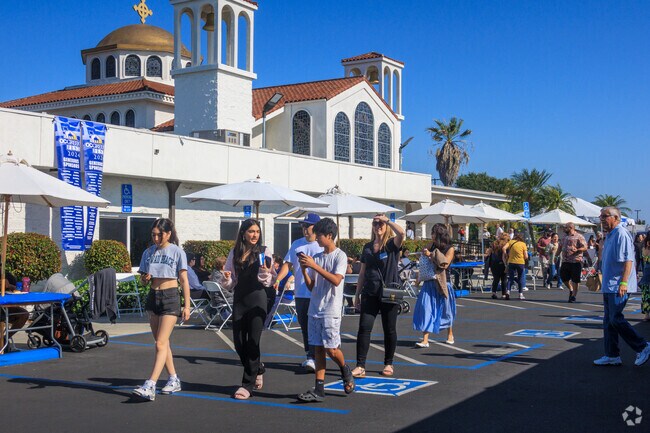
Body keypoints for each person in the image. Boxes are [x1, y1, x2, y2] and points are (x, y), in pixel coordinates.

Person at [132, 218, 191, 401]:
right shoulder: (148, 252)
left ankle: (151, 384)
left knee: (159, 343)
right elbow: (142, 279)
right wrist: (145, 279)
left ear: (169, 234)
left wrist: (187, 305)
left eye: (160, 234)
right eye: (154, 235)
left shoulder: (177, 252)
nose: (156, 238)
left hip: (171, 296)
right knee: (162, 343)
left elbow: (183, 280)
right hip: (153, 296)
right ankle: (173, 379)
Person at [296, 218, 355, 402]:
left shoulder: (340, 256)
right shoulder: (318, 257)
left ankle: (345, 369)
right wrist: (305, 269)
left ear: (329, 236)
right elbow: (313, 286)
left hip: (331, 309)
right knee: (318, 349)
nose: (316, 239)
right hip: (315, 308)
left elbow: (337, 280)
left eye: (319, 235)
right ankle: (319, 389)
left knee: (331, 349)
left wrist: (314, 266)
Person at [222, 219, 275, 399]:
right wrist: (227, 278)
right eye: (251, 231)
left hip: (258, 299)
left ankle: (247, 384)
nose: (254, 235)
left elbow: (271, 280)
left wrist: (265, 274)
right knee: (238, 342)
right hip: (240, 300)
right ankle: (258, 367)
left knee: (253, 341)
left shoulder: (264, 251)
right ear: (243, 233)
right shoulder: (234, 252)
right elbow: (230, 283)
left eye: (257, 232)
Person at [593, 206, 650, 366]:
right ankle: (612, 355)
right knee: (608, 321)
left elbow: (628, 261)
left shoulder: (621, 234)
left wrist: (624, 282)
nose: (602, 219)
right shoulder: (609, 235)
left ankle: (643, 346)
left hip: (618, 285)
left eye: (605, 216)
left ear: (616, 218)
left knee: (615, 319)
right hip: (609, 284)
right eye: (601, 216)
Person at [352, 214, 405, 378]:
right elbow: (362, 273)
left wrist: (388, 220)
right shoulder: (367, 247)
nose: (378, 226)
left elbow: (402, 234)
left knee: (389, 329)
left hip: (389, 294)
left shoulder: (391, 245)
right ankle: (360, 366)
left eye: (381, 223)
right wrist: (357, 294)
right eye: (375, 223)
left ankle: (388, 363)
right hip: (370, 292)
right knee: (364, 328)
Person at [274, 213, 323, 372]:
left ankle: (318, 356)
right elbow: (287, 265)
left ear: (315, 227)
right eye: (303, 226)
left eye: (307, 226)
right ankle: (310, 357)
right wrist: (277, 279)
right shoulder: (296, 244)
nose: (304, 229)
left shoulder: (322, 245)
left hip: (317, 293)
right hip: (301, 293)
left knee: (316, 326)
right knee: (304, 326)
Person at [413, 223, 457, 346]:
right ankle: (425, 339)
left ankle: (450, 333)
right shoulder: (430, 245)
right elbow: (424, 261)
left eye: (433, 233)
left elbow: (445, 264)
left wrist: (431, 255)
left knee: (446, 310)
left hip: (443, 282)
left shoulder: (450, 248)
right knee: (426, 308)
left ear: (438, 235)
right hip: (429, 281)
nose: (431, 236)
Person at [0, 272, 30, 353]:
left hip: (5, 308)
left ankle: (5, 339)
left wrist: (9, 286)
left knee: (24, 315)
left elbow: (16, 289)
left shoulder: (7, 276)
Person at [559, 222, 587, 303]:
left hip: (576, 261)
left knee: (575, 279)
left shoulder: (579, 236)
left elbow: (585, 247)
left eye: (565, 227)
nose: (564, 228)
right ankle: (571, 289)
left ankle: (574, 295)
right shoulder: (564, 236)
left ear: (571, 227)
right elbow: (560, 247)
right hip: (565, 261)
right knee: (563, 277)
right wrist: (556, 256)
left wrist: (577, 250)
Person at [503, 232, 528, 300]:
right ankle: (520, 294)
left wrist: (506, 255)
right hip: (520, 263)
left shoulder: (511, 242)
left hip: (511, 262)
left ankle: (508, 291)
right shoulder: (523, 244)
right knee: (520, 278)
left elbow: (504, 248)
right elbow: (526, 256)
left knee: (511, 278)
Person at [487, 234, 509, 299]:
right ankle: (503, 294)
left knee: (496, 279)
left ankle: (494, 292)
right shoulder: (506, 244)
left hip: (494, 263)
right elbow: (504, 255)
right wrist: (506, 264)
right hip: (502, 263)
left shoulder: (494, 243)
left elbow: (488, 252)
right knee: (504, 279)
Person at [639, 236, 650, 321]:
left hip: (646, 271)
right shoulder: (646, 248)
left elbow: (643, 257)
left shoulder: (644, 248)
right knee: (646, 294)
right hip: (647, 271)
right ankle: (646, 315)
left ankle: (646, 315)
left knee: (646, 295)